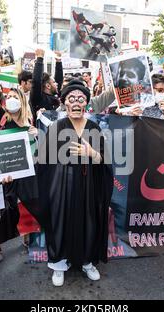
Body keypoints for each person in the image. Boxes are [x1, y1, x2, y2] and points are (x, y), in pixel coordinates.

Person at [36, 79, 114, 287]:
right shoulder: (57, 127)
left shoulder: (94, 128)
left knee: (89, 222)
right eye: (72, 99)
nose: (76, 102)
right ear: (64, 103)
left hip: (89, 188)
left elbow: (106, 161)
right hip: (62, 188)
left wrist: (92, 153)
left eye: (81, 99)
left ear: (87, 103)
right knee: (60, 223)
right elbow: (41, 160)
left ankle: (87, 262)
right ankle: (59, 264)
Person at [0, 49, 35, 260]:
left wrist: (35, 134)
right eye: (9, 96)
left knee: (25, 204)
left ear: (22, 101)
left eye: (15, 96)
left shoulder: (29, 122)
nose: (11, 99)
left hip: (22, 174)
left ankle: (27, 235)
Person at [30, 48, 63, 117]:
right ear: (48, 86)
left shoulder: (55, 96)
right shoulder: (39, 98)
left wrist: (58, 61)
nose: (57, 84)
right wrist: (40, 58)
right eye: (54, 82)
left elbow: (59, 80)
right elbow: (36, 82)